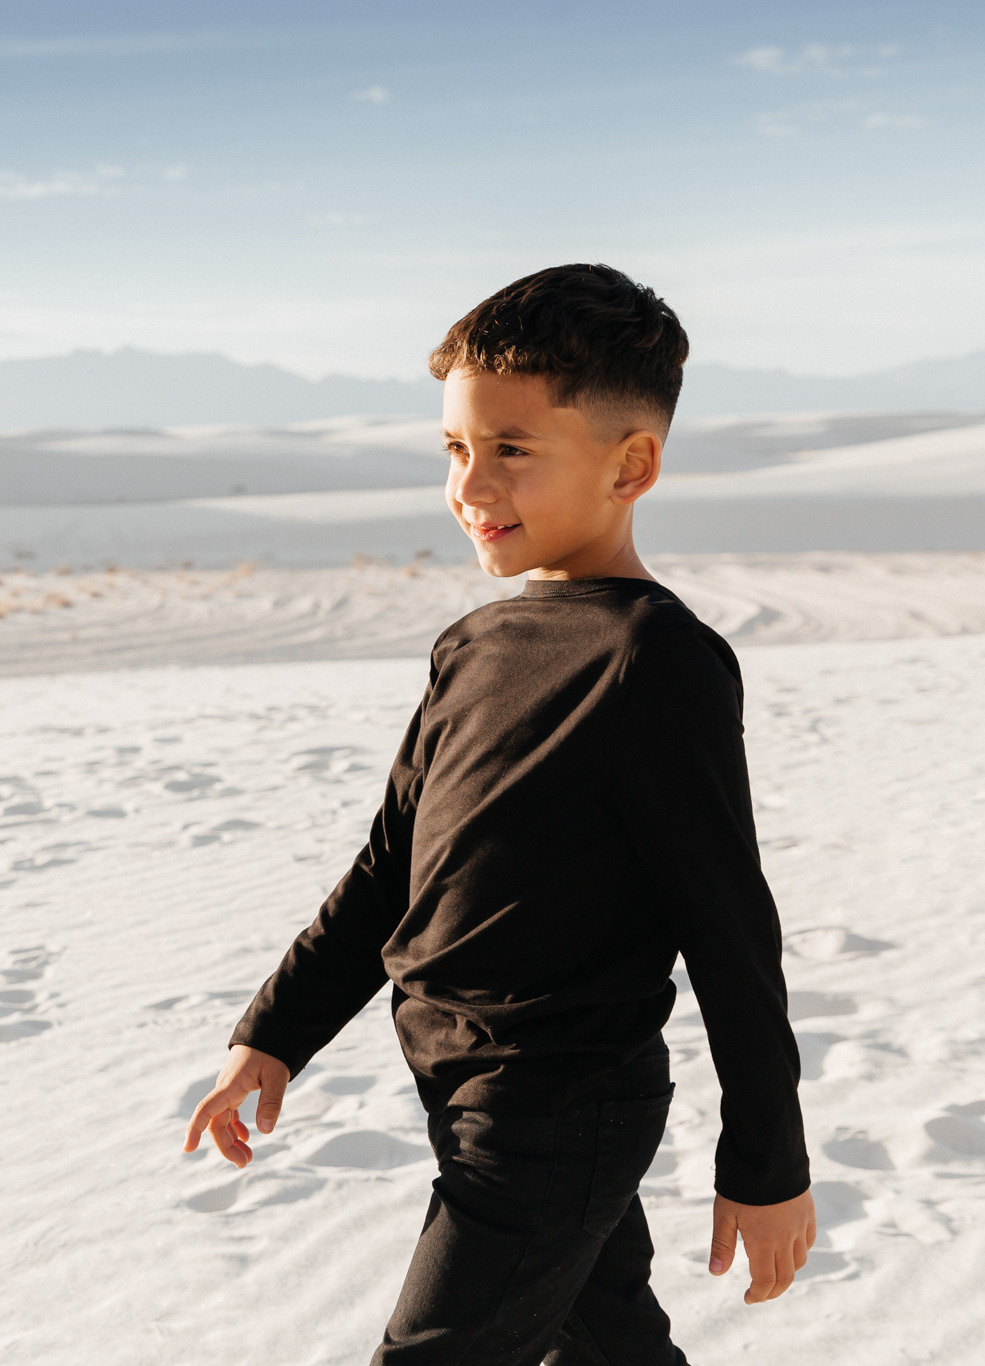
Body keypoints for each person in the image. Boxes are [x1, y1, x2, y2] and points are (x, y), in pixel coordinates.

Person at [182, 264, 816, 1364]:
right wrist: (273, 1034)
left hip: (555, 1106)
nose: (471, 484)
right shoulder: (473, 646)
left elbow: (728, 927)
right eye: (454, 448)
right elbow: (390, 869)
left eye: (511, 449)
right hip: (457, 1081)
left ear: (631, 465)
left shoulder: (654, 661)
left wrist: (767, 1166)